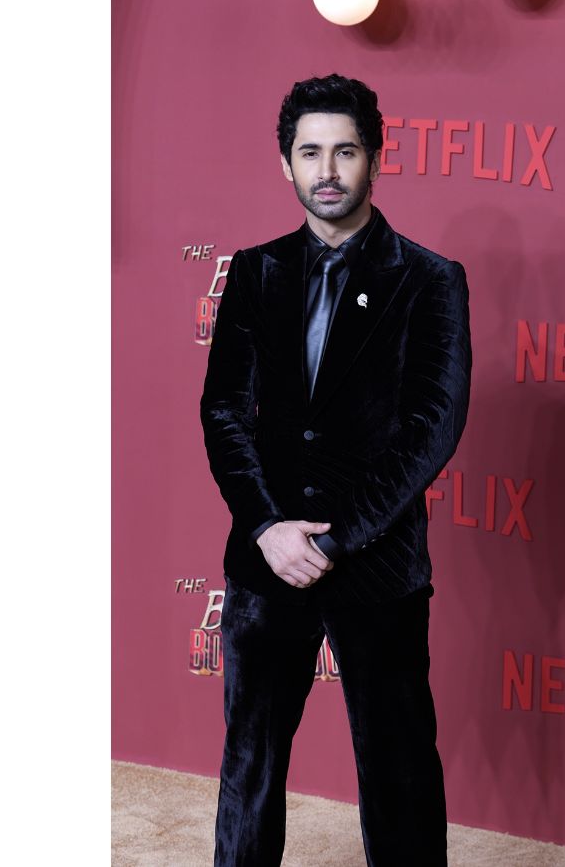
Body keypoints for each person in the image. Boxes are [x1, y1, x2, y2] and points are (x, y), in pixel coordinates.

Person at [200, 73, 472, 867]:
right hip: (266, 562)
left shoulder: (430, 279)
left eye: (345, 151)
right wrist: (267, 527)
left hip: (377, 566)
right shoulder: (253, 272)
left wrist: (333, 538)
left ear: (376, 161)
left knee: (399, 774)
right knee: (249, 768)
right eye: (310, 151)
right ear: (285, 163)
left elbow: (432, 428)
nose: (327, 169)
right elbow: (224, 412)